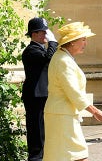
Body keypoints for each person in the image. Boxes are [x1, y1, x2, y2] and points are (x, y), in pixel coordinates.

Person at [43, 22, 102, 161]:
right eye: (83, 39)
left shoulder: (64, 58)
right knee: (78, 155)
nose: (86, 43)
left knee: (64, 156)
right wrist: (94, 111)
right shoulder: (63, 60)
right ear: (72, 42)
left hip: (62, 113)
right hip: (61, 114)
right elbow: (73, 91)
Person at [21, 17, 58, 161]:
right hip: (35, 98)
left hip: (42, 96)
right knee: (37, 135)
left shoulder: (40, 49)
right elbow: (47, 58)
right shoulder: (31, 50)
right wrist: (53, 42)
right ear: (34, 34)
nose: (46, 35)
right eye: (43, 32)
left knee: (44, 134)